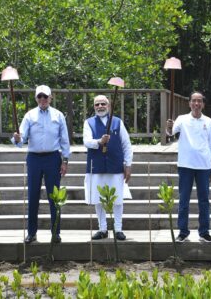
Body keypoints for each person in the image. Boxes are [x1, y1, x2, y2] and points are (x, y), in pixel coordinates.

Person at [12, 85, 70, 244]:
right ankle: (31, 233)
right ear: (36, 98)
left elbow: (64, 139)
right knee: (33, 196)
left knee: (55, 198)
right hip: (34, 158)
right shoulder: (29, 115)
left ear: (51, 98)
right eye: (40, 97)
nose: (43, 99)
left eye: (46, 96)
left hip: (53, 158)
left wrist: (65, 160)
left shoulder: (58, 115)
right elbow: (21, 139)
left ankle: (56, 233)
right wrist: (17, 138)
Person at [166, 91, 211, 243]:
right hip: (185, 165)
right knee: (184, 199)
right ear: (189, 103)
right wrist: (168, 126)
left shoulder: (208, 121)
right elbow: (170, 133)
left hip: (204, 165)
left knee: (204, 200)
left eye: (199, 101)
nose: (196, 104)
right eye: (194, 101)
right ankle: (183, 231)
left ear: (203, 104)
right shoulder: (182, 119)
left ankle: (204, 231)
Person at [83, 94, 133, 240]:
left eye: (103, 104)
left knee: (117, 198)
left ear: (109, 106)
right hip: (96, 165)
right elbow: (86, 141)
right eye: (97, 104)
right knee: (98, 198)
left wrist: (128, 164)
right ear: (94, 107)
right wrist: (99, 141)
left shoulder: (117, 122)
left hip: (115, 164)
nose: (100, 106)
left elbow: (126, 144)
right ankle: (102, 228)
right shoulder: (89, 122)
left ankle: (118, 228)